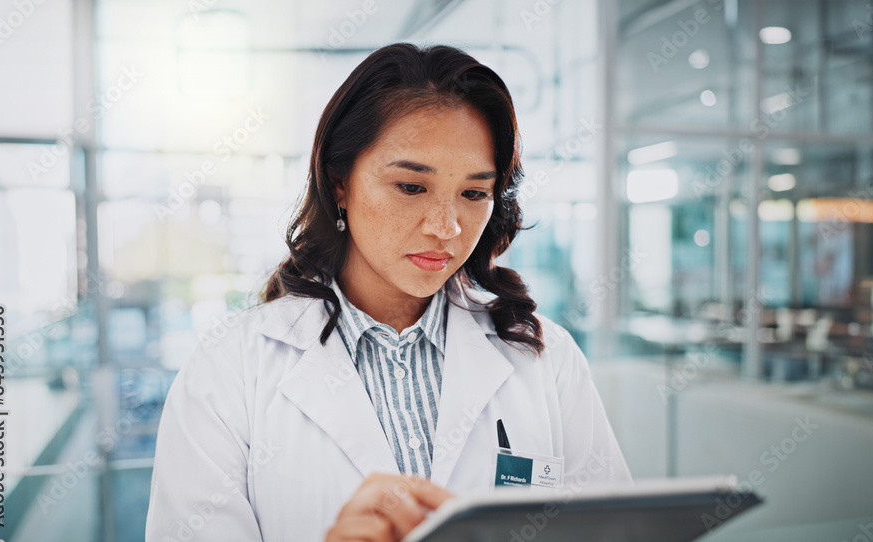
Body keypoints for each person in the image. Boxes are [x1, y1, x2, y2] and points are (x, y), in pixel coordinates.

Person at [145, 43, 632, 542]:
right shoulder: (229, 370)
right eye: (410, 187)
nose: (445, 228)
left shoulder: (546, 360)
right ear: (339, 182)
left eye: (473, 193)